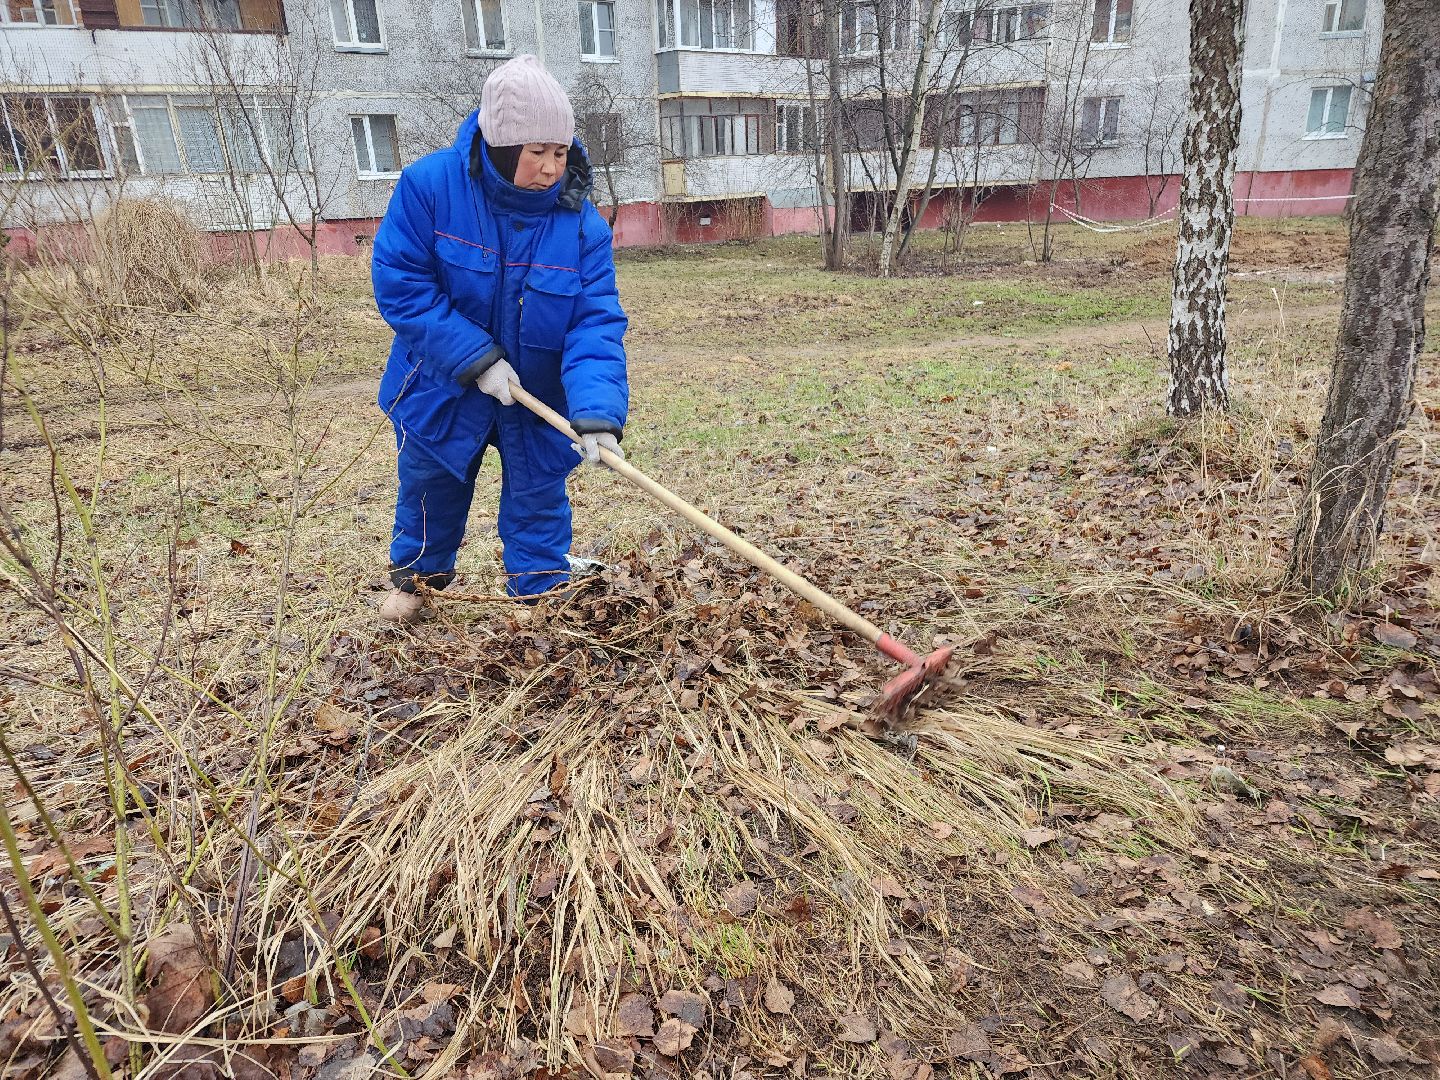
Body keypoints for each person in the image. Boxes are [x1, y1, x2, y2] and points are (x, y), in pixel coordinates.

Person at [371, 55, 628, 622]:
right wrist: (474, 357)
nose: (549, 168)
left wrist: (598, 413)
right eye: (536, 153)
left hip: (536, 394)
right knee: (428, 484)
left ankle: (536, 591)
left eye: (560, 153)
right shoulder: (430, 188)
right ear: (500, 142)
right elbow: (401, 283)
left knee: (538, 492)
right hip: (443, 381)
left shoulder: (581, 224)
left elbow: (595, 322)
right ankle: (417, 581)